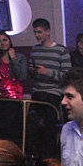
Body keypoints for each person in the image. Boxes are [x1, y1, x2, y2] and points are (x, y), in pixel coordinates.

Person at [26, 18, 71, 158]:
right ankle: (32, 158)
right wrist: (32, 70)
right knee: (31, 126)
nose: (37, 35)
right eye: (35, 32)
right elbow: (31, 74)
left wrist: (47, 72)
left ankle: (49, 159)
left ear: (48, 31)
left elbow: (67, 76)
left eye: (39, 32)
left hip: (53, 93)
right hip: (37, 92)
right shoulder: (35, 49)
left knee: (49, 128)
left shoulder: (61, 50)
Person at [0, 30, 28, 145]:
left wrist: (13, 59)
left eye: (4, 40)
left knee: (11, 128)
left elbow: (22, 76)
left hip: (14, 97)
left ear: (9, 40)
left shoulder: (20, 57)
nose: (2, 43)